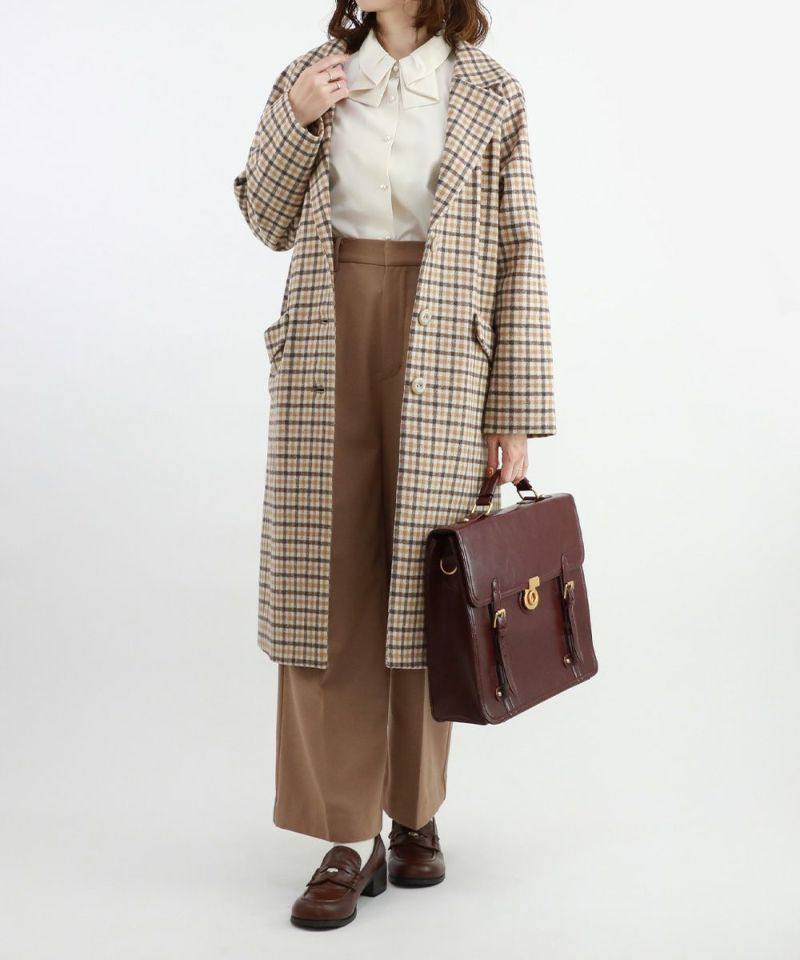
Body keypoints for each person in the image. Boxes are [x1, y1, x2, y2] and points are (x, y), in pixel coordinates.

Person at [233, 0, 555, 929]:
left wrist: (515, 411)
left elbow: (521, 248)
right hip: (330, 333)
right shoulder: (313, 73)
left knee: (428, 584)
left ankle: (414, 812)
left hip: (448, 350)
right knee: (327, 588)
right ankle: (346, 835)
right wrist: (296, 117)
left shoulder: (491, 92)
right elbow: (264, 218)